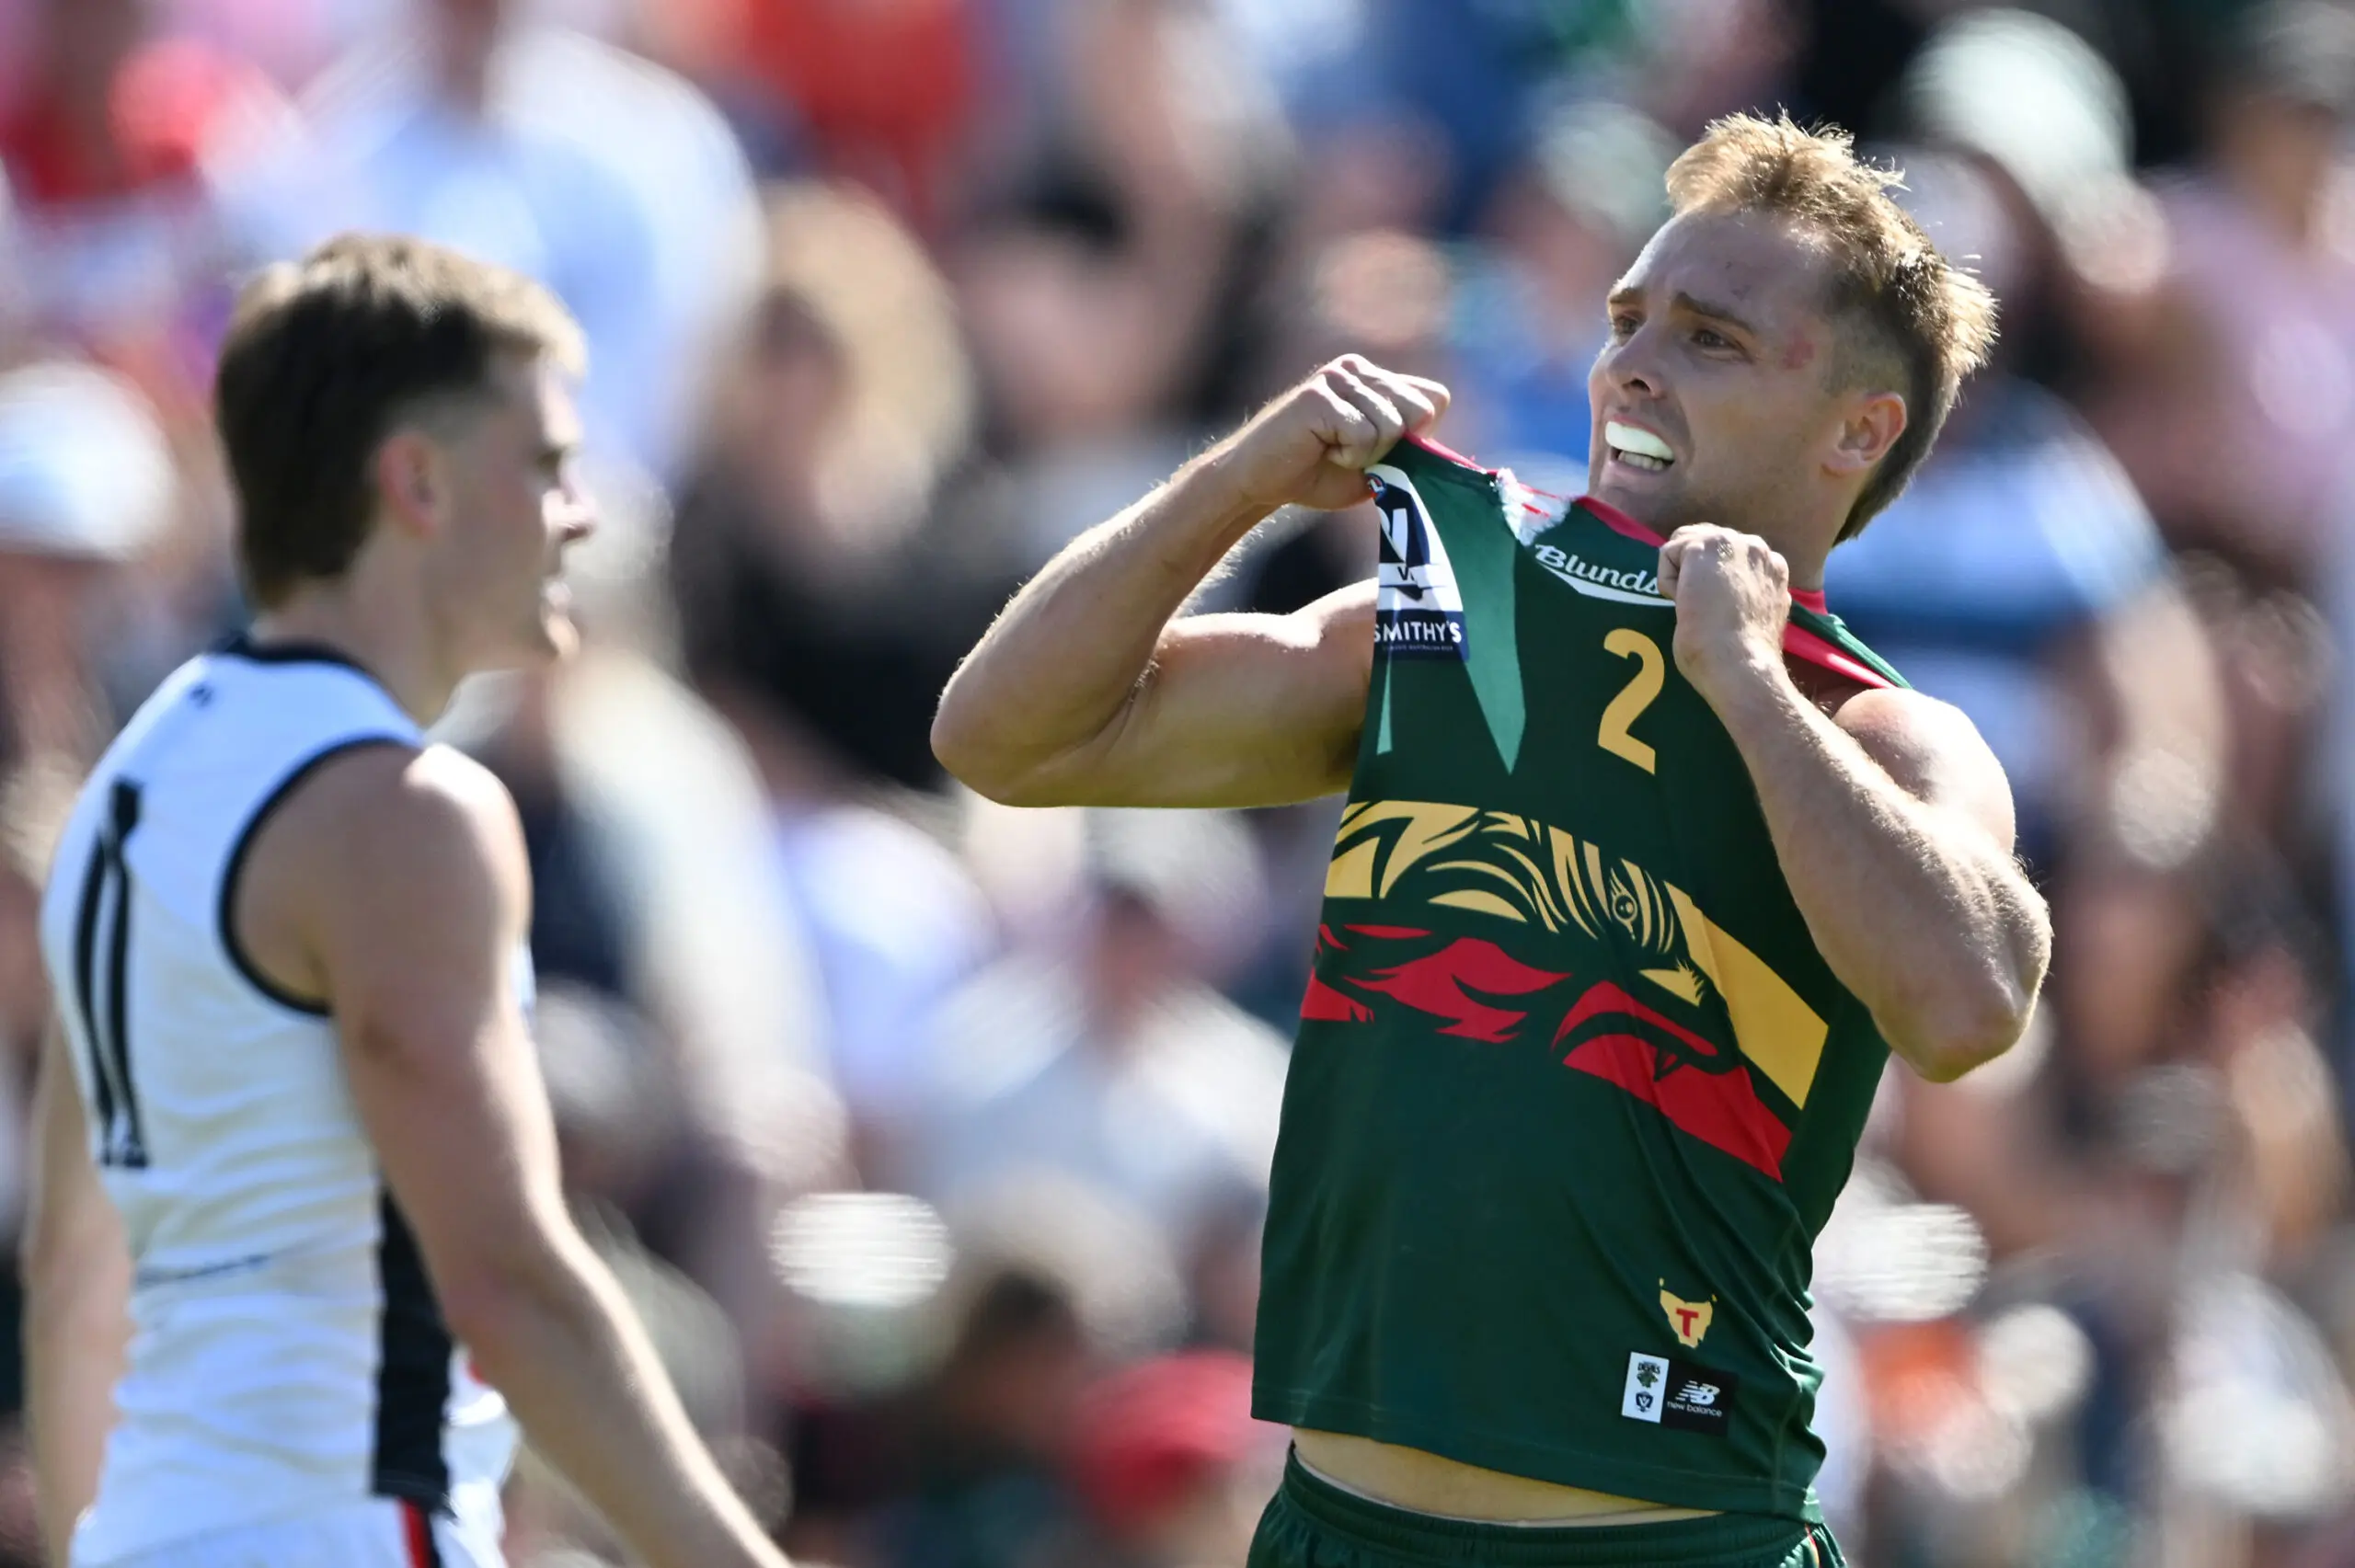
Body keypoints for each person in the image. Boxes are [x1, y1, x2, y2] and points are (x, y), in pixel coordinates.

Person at [932, 114, 2053, 1568]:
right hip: (1340, 1530)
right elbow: (1003, 735)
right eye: (1626, 320)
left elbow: (1969, 1002)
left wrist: (1750, 685)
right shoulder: (1456, 606)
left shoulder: (1873, 731)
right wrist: (1241, 481)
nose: (1632, 366)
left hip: (1671, 1539)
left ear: (1858, 429)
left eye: (1711, 339)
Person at [20, 235, 789, 1568]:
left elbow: (76, 1282)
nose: (581, 511)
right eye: (546, 465)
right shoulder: (409, 814)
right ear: (417, 481)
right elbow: (510, 1286)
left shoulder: (125, 788)